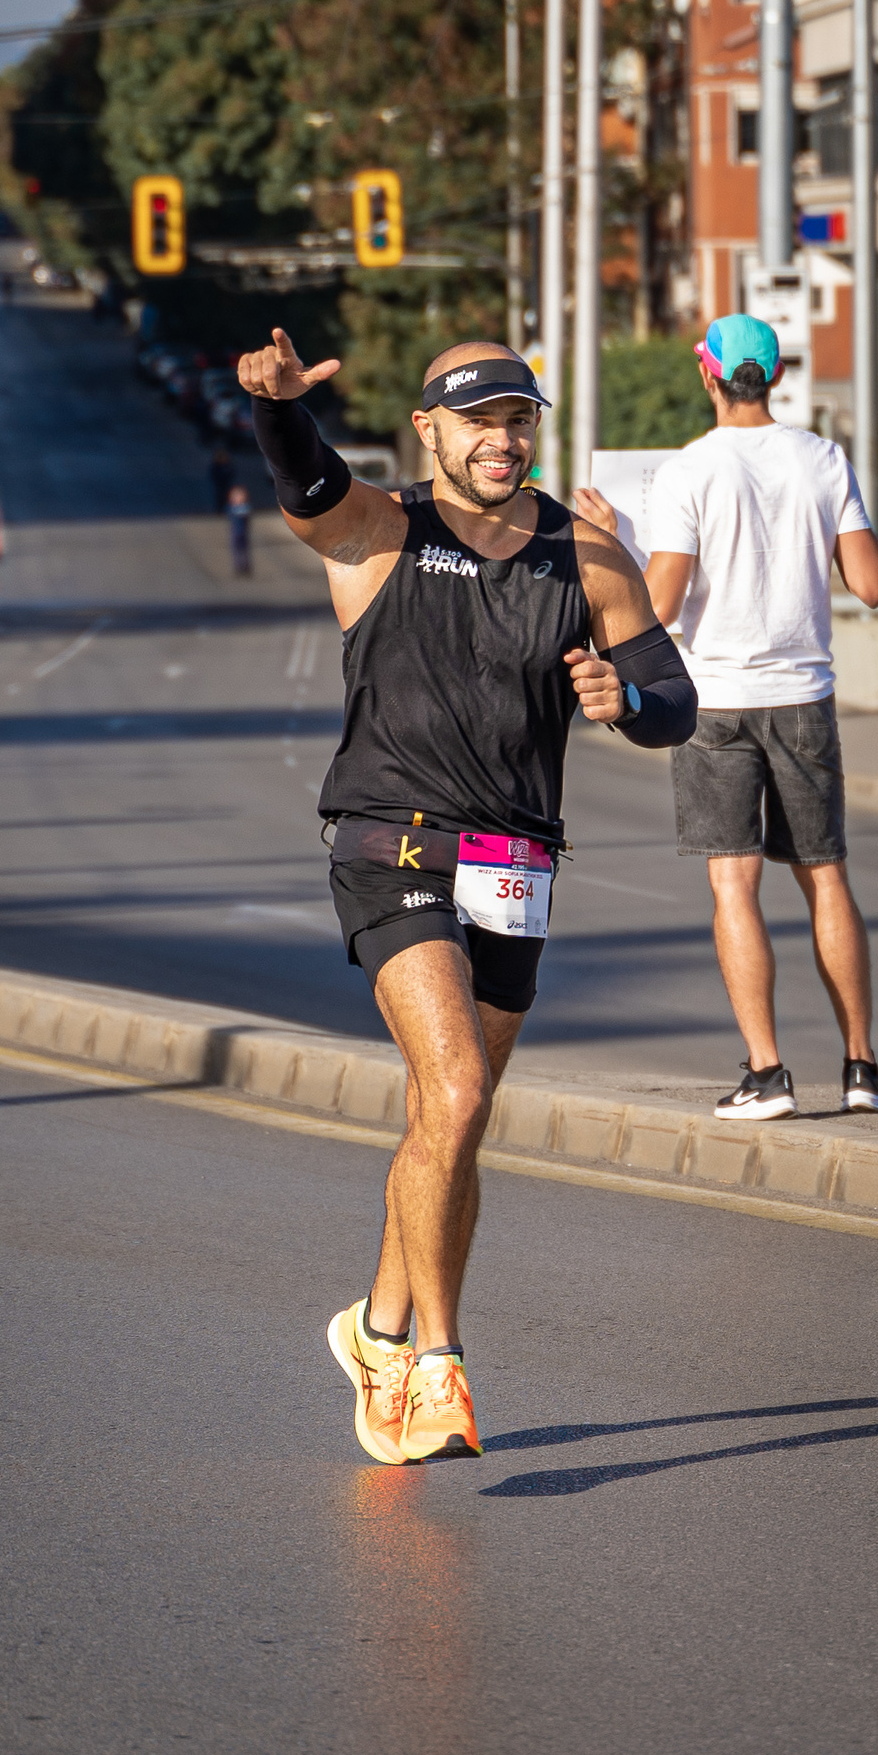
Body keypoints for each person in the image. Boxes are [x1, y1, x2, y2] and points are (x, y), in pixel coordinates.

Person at [241, 328, 697, 1468]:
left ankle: (376, 1325)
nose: (502, 438)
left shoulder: (585, 557)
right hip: (387, 842)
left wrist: (621, 692)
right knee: (450, 1084)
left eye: (518, 418)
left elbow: (674, 699)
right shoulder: (379, 532)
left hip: (516, 858)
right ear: (429, 431)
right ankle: (436, 1364)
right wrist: (278, 409)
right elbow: (305, 480)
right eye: (478, 420)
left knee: (455, 1110)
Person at [574, 313, 878, 1122]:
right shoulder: (824, 457)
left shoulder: (690, 471)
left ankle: (768, 1073)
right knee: (826, 877)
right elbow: (871, 584)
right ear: (775, 377)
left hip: (715, 700)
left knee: (733, 883)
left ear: (707, 375)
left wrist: (616, 543)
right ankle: (862, 1069)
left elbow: (666, 601)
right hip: (805, 695)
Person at [219, 456, 253, 578]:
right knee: (236, 551)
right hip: (235, 533)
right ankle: (239, 567)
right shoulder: (233, 508)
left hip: (242, 533)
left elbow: (246, 517)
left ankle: (245, 566)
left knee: (243, 550)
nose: (238, 498)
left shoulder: (244, 508)